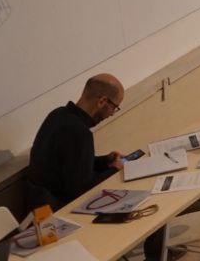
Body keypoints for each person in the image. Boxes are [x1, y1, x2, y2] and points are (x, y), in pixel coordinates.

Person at [26, 75, 182, 261]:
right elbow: (82, 191)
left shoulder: (58, 115)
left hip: (40, 207)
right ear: (102, 101)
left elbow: (69, 163)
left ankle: (161, 254)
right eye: (114, 107)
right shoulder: (79, 132)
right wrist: (115, 169)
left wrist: (104, 161)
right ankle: (158, 257)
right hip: (62, 214)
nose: (112, 114)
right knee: (153, 208)